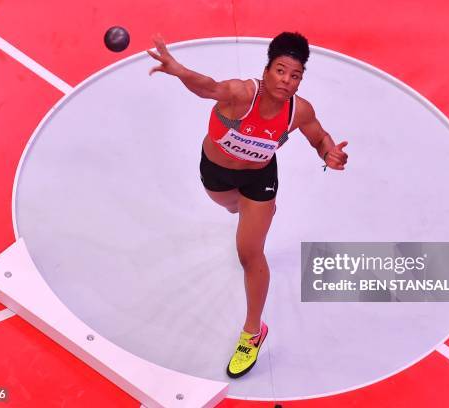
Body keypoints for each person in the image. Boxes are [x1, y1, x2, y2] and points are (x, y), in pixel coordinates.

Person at [147, 32, 348, 378]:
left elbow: (318, 135)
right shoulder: (242, 94)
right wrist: (178, 70)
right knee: (228, 206)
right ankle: (247, 210)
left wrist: (329, 152)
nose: (287, 81)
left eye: (295, 75)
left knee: (249, 253)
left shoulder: (298, 111)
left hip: (259, 179)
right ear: (267, 69)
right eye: (281, 71)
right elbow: (208, 87)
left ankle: (252, 332)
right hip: (218, 176)